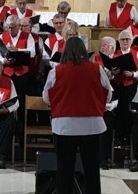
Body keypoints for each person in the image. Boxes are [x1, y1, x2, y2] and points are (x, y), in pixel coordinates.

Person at [43, 36, 112, 194]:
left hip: (64, 126)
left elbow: (47, 97)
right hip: (92, 125)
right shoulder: (97, 69)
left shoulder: (56, 71)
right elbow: (108, 95)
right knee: (92, 169)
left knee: (64, 169)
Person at [110, 29, 138, 146]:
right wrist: (113, 72)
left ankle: (128, 138)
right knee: (117, 111)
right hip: (116, 85)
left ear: (131, 41)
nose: (125, 41)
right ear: (119, 41)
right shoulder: (114, 54)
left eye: (127, 39)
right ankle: (118, 137)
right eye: (122, 39)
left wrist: (133, 74)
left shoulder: (137, 54)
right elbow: (108, 70)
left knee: (129, 112)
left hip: (130, 86)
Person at [0, 15, 35, 99]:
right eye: (8, 27)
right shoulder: (2, 37)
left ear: (18, 26)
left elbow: (33, 52)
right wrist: (4, 60)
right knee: (6, 96)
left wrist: (17, 50)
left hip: (21, 73)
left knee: (21, 98)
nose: (10, 30)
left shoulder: (27, 36)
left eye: (13, 27)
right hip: (6, 73)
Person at [93, 36, 118, 170]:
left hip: (114, 101)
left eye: (105, 45)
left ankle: (104, 158)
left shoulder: (118, 59)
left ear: (112, 48)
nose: (102, 47)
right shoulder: (97, 59)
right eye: (102, 45)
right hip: (98, 98)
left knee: (107, 124)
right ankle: (94, 156)